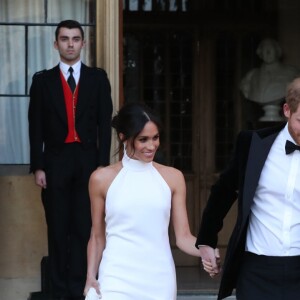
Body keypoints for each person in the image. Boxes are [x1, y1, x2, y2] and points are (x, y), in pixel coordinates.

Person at [28, 20, 113, 300]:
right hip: (55, 162)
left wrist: (102, 165)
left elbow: (104, 122)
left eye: (75, 39)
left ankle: (80, 287)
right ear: (56, 44)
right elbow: (35, 125)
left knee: (83, 226)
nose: (70, 44)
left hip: (88, 163)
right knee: (57, 226)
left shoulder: (98, 79)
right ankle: (58, 291)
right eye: (64, 39)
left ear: (83, 43)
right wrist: (38, 166)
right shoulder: (42, 81)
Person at [83, 102, 203, 300]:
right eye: (143, 139)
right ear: (123, 137)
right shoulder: (100, 179)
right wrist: (90, 276)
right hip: (115, 277)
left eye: (155, 138)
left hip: (159, 279)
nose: (152, 145)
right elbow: (96, 236)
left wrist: (208, 249)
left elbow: (183, 237)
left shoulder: (173, 177)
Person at [196, 77, 300, 300]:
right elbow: (223, 191)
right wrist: (206, 240)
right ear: (287, 111)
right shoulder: (253, 144)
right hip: (256, 269)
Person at [240, 38, 299, 121]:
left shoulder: (292, 73)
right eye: (264, 49)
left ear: (277, 51)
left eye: (271, 48)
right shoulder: (251, 76)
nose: (267, 52)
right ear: (260, 53)